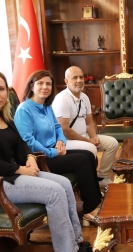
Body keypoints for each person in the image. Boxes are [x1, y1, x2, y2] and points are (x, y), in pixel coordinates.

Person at [0, 69, 95, 252]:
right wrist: (18, 169)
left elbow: (21, 144)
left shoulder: (5, 117)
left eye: (1, 89)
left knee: (64, 183)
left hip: (8, 176)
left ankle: (75, 241)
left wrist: (29, 156)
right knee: (55, 192)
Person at [14, 70, 102, 224]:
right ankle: (90, 210)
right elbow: (28, 141)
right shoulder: (24, 109)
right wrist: (53, 151)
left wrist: (61, 141)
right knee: (81, 160)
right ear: (32, 86)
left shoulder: (46, 106)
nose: (45, 87)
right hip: (39, 158)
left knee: (88, 155)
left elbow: (57, 128)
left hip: (54, 151)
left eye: (48, 84)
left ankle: (96, 201)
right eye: (40, 83)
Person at [52, 66, 118, 187]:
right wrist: (88, 141)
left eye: (81, 77)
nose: (79, 80)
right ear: (66, 81)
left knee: (112, 143)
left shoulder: (84, 97)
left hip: (84, 137)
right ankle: (89, 183)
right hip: (66, 141)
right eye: (74, 78)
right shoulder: (62, 99)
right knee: (90, 148)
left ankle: (102, 178)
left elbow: (89, 122)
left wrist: (94, 137)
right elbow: (64, 130)